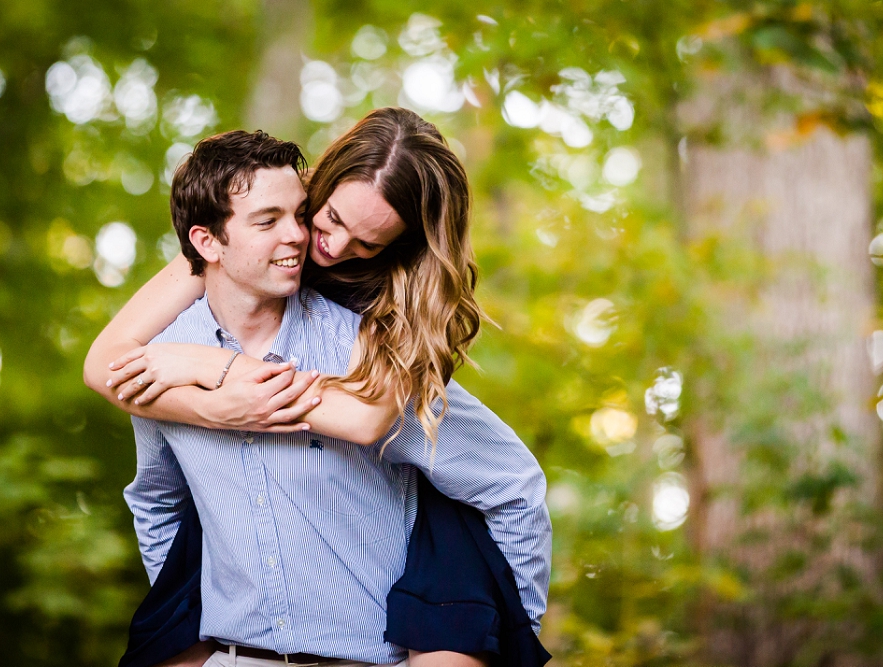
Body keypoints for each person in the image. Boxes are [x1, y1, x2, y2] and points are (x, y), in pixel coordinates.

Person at [84, 111, 551, 666]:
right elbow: (107, 368)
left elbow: (370, 421)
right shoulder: (241, 238)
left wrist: (518, 636)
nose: (324, 244)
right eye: (325, 217)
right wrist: (214, 401)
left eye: (367, 241)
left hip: (407, 531)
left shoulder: (386, 330)